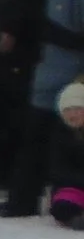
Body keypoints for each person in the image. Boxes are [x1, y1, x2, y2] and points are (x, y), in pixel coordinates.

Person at [0, 0, 84, 219]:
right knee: (38, 124)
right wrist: (24, 30)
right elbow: (26, 1)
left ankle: (72, 198)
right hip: (57, 51)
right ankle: (22, 199)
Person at [50, 79, 84, 229]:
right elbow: (57, 170)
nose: (72, 114)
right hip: (73, 187)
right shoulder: (59, 136)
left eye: (77, 108)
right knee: (63, 207)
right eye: (67, 110)